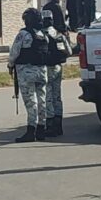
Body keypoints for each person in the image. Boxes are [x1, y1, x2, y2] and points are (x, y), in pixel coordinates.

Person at [8, 8, 49, 143]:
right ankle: (41, 129)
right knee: (42, 100)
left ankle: (31, 131)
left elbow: (14, 51)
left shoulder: (24, 34)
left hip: (26, 72)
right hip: (42, 71)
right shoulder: (43, 34)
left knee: (31, 102)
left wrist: (10, 65)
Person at [42, 9, 71, 137]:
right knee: (57, 96)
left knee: (48, 97)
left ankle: (50, 125)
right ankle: (59, 126)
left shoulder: (41, 35)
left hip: (46, 68)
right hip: (58, 67)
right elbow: (69, 52)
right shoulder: (59, 35)